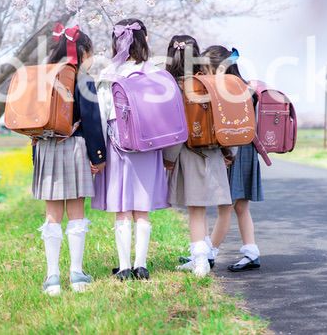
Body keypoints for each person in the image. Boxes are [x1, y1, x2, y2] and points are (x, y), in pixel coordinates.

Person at [92, 18, 169, 281]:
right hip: (148, 142)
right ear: (143, 40)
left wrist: (99, 151)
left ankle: (124, 267)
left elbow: (102, 114)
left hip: (117, 143)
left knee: (122, 206)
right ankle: (142, 264)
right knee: (142, 207)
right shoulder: (155, 71)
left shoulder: (108, 74)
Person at [32, 24, 107, 295]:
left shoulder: (43, 76)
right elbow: (92, 119)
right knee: (76, 211)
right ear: (83, 51)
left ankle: (52, 278)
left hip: (46, 148)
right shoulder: (81, 77)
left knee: (52, 214)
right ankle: (76, 275)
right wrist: (98, 156)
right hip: (74, 146)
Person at [162, 35, 233, 277]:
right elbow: (226, 118)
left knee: (196, 211)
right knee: (201, 209)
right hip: (213, 152)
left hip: (188, 153)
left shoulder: (173, 87)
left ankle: (200, 260)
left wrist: (168, 159)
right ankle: (198, 258)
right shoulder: (210, 82)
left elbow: (175, 129)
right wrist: (228, 152)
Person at [201, 45, 263, 272]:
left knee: (225, 208)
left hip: (234, 152)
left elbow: (233, 127)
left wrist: (227, 154)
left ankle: (208, 255)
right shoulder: (244, 87)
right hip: (247, 150)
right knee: (240, 208)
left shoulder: (229, 91)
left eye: (206, 67)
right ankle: (251, 251)